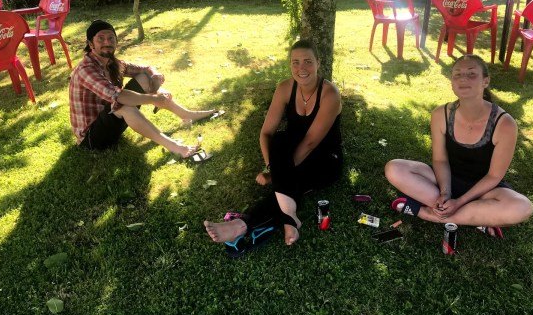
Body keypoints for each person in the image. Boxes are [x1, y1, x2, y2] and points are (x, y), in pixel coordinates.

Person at [204, 39, 343, 248]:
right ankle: (289, 219)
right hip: (291, 151)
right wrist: (273, 168)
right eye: (295, 62)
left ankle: (242, 225)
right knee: (278, 140)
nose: (301, 68)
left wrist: (279, 175)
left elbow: (310, 143)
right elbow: (266, 133)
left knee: (290, 182)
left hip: (325, 158)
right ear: (290, 64)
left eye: (307, 61)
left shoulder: (330, 94)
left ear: (318, 63)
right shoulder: (285, 88)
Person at [385, 54, 533, 237]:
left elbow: (494, 176)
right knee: (394, 168)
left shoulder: (504, 124)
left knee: (522, 207)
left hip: (485, 190)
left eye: (471, 74)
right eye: (457, 74)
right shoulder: (440, 114)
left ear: (485, 81)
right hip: (444, 180)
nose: (463, 79)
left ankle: (427, 213)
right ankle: (475, 217)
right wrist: (445, 193)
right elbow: (440, 160)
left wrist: (460, 201)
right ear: (452, 82)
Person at [69, 20, 216, 155]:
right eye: (101, 38)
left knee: (144, 78)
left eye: (111, 38)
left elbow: (146, 69)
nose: (107, 42)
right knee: (122, 105)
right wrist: (154, 98)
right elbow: (118, 96)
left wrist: (155, 77)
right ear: (91, 44)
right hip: (91, 139)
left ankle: (186, 115)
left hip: (109, 124)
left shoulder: (112, 63)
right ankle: (176, 147)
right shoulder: (86, 70)